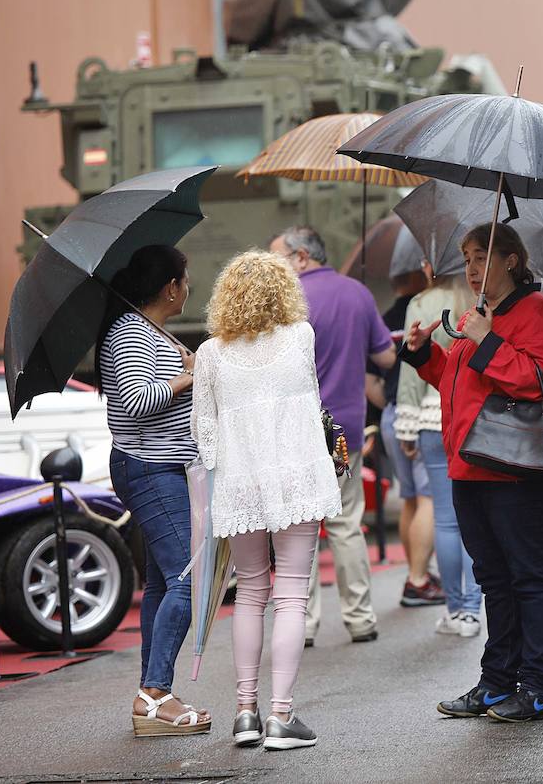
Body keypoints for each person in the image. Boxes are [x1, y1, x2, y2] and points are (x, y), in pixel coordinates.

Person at [402, 223, 543, 723]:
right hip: (471, 467)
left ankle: (538, 687)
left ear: (512, 261)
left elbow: (540, 384)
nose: (472, 269)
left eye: (482, 257)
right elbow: (460, 383)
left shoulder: (539, 313)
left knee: (531, 578)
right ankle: (498, 681)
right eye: (468, 258)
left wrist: (488, 340)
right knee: (495, 581)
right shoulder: (483, 315)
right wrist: (423, 354)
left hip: (516, 470)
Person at [191, 251, 343, 750]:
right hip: (297, 476)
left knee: (251, 593)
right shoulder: (301, 337)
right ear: (284, 292)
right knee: (293, 593)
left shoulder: (210, 353)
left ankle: (245, 712)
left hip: (240, 483)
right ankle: (282, 716)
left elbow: (204, 434)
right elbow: (311, 402)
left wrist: (222, 475)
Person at [98, 245, 210, 735]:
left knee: (164, 582)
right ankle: (155, 694)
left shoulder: (147, 331)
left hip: (159, 467)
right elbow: (137, 399)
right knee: (188, 578)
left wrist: (185, 367)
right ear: (170, 286)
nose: (189, 286)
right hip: (148, 468)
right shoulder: (129, 333)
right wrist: (186, 378)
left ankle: (152, 691)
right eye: (185, 279)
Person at [269, 226, 395, 646]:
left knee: (298, 527)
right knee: (346, 524)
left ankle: (302, 624)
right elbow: (386, 356)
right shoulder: (357, 293)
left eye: (278, 258)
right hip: (347, 430)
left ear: (301, 257)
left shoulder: (285, 302)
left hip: (296, 431)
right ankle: (360, 619)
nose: (273, 268)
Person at [396, 261, 482, 637]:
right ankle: (475, 609)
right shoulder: (480, 301)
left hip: (433, 416)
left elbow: (410, 369)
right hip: (474, 416)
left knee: (446, 519)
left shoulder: (422, 302)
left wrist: (406, 423)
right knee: (475, 521)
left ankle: (455, 610)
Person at [376, 261, 443, 609]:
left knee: (410, 498)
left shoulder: (388, 315)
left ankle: (416, 572)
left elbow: (374, 375)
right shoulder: (428, 305)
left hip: (393, 412)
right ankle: (418, 578)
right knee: (431, 501)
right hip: (420, 411)